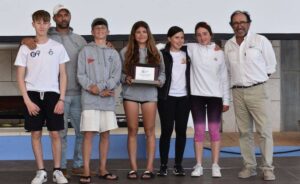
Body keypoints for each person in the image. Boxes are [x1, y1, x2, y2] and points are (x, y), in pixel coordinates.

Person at [22, 4, 87, 178]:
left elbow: (89, 58)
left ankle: (78, 165)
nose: (63, 17)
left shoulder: (80, 40)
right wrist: (24, 40)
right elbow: (32, 42)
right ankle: (61, 168)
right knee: (59, 133)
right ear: (54, 19)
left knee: (81, 132)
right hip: (55, 94)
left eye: (66, 14)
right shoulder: (42, 38)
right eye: (60, 15)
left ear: (70, 17)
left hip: (78, 93)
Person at [15, 10, 69, 184]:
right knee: (36, 134)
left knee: (55, 134)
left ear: (49, 25)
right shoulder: (25, 48)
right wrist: (27, 101)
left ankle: (58, 171)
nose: (42, 26)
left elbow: (63, 75)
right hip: (32, 95)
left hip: (53, 95)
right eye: (38, 22)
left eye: (45, 22)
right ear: (33, 24)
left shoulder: (58, 47)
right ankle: (41, 172)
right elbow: (20, 77)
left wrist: (61, 99)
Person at [224, 10, 277, 181]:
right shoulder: (229, 45)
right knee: (244, 132)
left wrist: (256, 82)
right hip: (237, 92)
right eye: (235, 23)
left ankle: (267, 168)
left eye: (242, 22)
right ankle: (249, 167)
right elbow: (227, 71)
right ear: (232, 26)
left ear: (249, 23)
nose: (239, 26)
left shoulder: (260, 41)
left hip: (258, 90)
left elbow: (270, 67)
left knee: (264, 131)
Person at [77, 18, 121, 184]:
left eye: (103, 28)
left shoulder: (113, 53)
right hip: (89, 99)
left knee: (105, 134)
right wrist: (92, 88)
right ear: (92, 32)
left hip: (107, 99)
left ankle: (102, 169)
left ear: (108, 31)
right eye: (97, 28)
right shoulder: (85, 51)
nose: (100, 30)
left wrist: (101, 88)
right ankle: (87, 170)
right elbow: (81, 75)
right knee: (88, 134)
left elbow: (116, 76)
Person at [120, 21, 165, 179]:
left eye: (144, 32)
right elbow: (120, 74)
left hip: (149, 95)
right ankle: (133, 168)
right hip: (131, 94)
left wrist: (160, 81)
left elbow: (162, 74)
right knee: (132, 130)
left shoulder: (155, 52)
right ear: (133, 34)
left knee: (149, 131)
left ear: (148, 34)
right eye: (138, 32)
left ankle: (149, 168)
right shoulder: (125, 51)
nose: (141, 35)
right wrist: (127, 78)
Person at [188, 22, 230, 178]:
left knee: (214, 131)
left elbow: (224, 77)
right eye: (198, 34)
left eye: (204, 34)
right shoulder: (191, 48)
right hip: (197, 96)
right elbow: (168, 46)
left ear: (210, 35)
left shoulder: (219, 52)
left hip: (215, 97)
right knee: (199, 131)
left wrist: (226, 100)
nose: (202, 37)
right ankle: (198, 165)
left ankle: (215, 165)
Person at [156, 26, 191, 177]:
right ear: (169, 38)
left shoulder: (188, 53)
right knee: (166, 131)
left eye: (182, 37)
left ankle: (178, 164)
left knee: (181, 132)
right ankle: (163, 165)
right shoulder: (161, 54)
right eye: (176, 37)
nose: (180, 40)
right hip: (166, 98)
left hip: (185, 98)